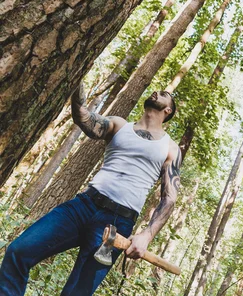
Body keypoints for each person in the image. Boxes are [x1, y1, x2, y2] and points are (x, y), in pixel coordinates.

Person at [0, 88, 181, 296]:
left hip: (117, 225)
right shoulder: (119, 125)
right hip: (82, 206)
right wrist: (75, 88)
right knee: (19, 252)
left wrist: (147, 235)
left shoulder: (170, 148)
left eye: (163, 94)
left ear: (168, 110)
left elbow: (169, 198)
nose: (156, 92)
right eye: (156, 91)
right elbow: (85, 119)